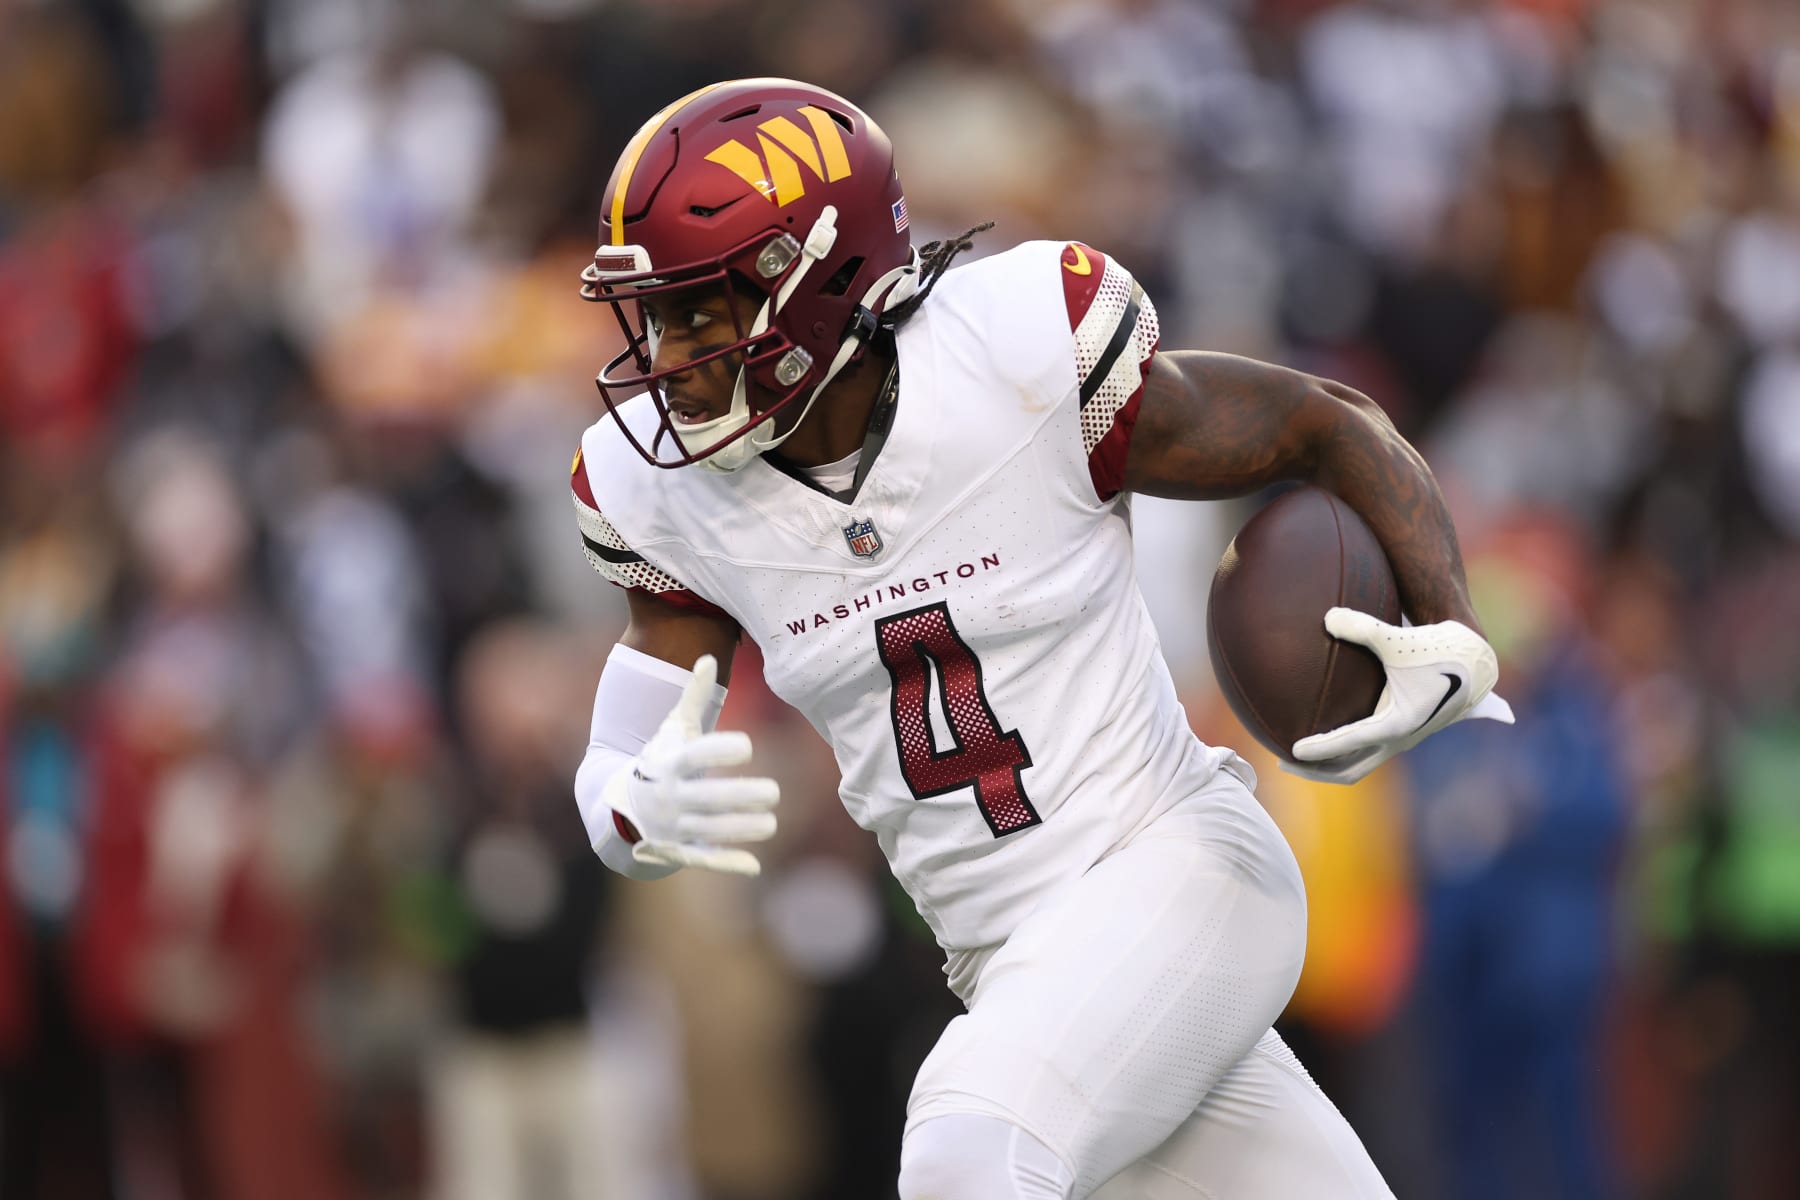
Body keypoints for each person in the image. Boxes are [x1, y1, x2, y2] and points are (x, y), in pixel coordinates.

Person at [568, 77, 1512, 1200]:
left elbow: (1322, 422)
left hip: (1179, 867)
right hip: (1012, 966)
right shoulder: (662, 496)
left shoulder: (1016, 357)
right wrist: (632, 808)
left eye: (698, 309)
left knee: (969, 1146)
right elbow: (622, 757)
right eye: (655, 314)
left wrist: (1450, 622)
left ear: (813, 281)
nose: (667, 354)